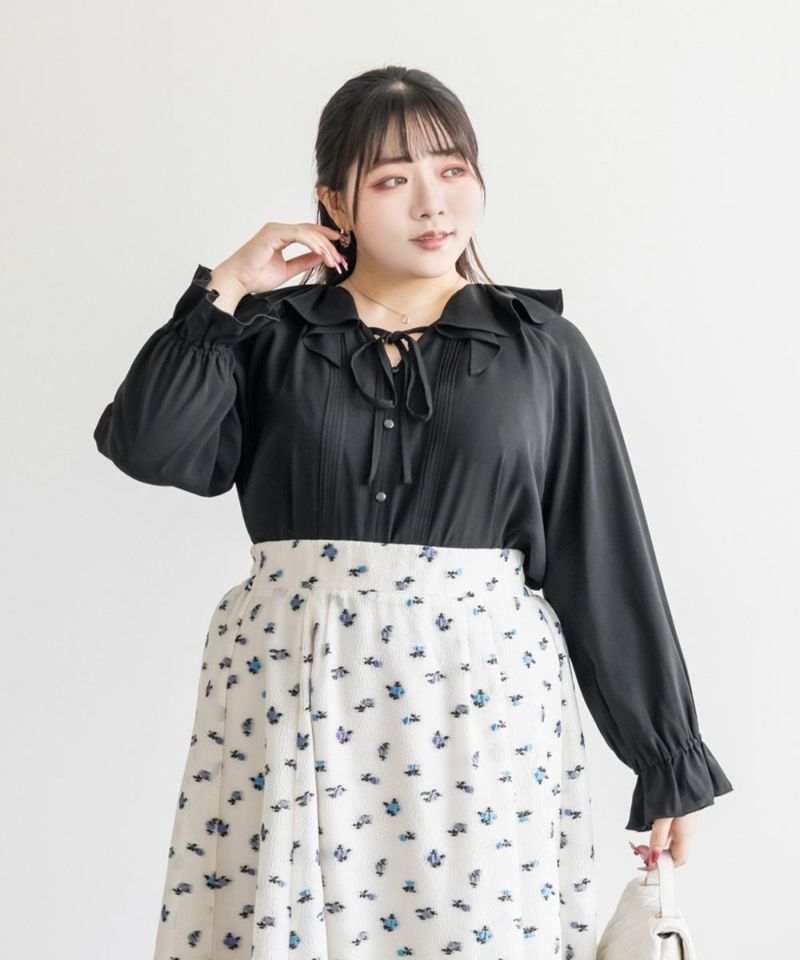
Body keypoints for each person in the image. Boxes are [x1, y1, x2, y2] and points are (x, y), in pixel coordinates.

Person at [93, 65, 732, 960]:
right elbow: (148, 445)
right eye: (393, 180)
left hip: (481, 704)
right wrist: (227, 287)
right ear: (335, 204)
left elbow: (603, 553)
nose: (434, 203)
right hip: (290, 687)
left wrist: (665, 758)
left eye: (453, 170)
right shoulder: (268, 337)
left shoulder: (542, 351)